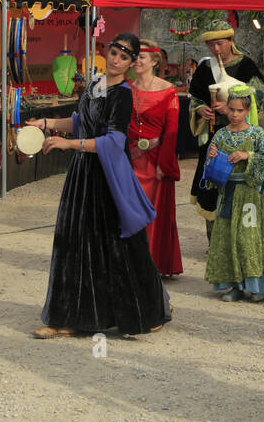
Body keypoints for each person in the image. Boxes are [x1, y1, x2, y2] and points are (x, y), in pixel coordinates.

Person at [31, 33, 170, 340]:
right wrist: (47, 124)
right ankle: (68, 318)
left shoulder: (123, 94)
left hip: (107, 176)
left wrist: (69, 144)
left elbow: (115, 141)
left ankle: (149, 310)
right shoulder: (94, 84)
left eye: (124, 56)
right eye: (114, 52)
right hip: (82, 174)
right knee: (74, 244)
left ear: (132, 63)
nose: (117, 59)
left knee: (122, 246)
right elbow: (81, 120)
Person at [188, 22, 264, 242]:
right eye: (211, 45)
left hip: (240, 139)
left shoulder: (247, 67)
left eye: (220, 44)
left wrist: (231, 108)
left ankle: (239, 241)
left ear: (231, 42)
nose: (216, 50)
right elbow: (194, 96)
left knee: (238, 188)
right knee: (212, 186)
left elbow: (260, 101)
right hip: (213, 140)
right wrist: (199, 108)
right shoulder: (205, 69)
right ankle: (215, 242)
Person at [204, 84, 264, 302]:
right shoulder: (220, 134)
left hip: (249, 195)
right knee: (228, 238)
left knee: (249, 238)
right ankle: (233, 285)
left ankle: (256, 285)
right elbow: (209, 170)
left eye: (240, 110)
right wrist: (212, 155)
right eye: (231, 109)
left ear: (248, 111)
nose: (235, 115)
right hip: (227, 193)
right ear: (226, 108)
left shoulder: (256, 134)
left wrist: (247, 155)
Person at [128, 39, 182, 278]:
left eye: (142, 57)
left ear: (154, 60)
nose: (137, 61)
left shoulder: (168, 91)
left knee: (153, 212)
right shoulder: (125, 88)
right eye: (135, 56)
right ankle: (130, 263)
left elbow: (171, 132)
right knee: (129, 211)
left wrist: (164, 164)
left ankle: (152, 264)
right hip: (130, 159)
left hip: (155, 160)